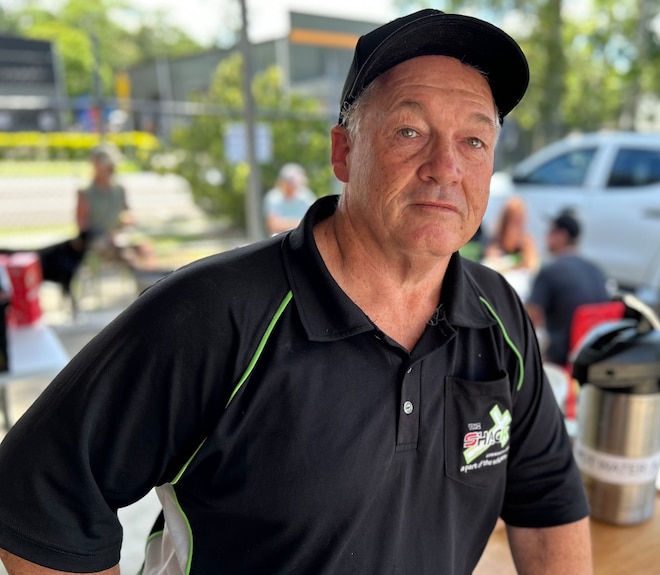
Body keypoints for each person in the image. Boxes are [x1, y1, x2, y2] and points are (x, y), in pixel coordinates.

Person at [0, 9, 592, 575]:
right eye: (409, 130)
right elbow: (39, 499)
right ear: (343, 151)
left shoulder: (499, 316)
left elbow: (546, 498)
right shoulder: (215, 313)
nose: (446, 166)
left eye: (474, 141)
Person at [525, 209, 610, 367]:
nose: (546, 236)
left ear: (562, 236)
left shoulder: (550, 271)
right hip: (594, 355)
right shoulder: (597, 271)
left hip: (561, 359)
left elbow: (525, 321)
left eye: (550, 231)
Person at [75, 145, 153, 268]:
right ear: (95, 164)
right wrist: (106, 235)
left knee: (144, 248)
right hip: (98, 240)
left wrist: (128, 221)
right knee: (127, 256)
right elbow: (82, 227)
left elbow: (128, 213)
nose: (111, 168)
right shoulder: (85, 191)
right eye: (107, 165)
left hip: (120, 236)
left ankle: (153, 282)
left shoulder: (119, 189)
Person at [483, 196, 540, 273]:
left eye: (522, 223)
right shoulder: (492, 242)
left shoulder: (527, 243)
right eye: (516, 223)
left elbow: (533, 268)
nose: (520, 229)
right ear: (505, 223)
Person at [263, 162, 316, 234]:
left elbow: (314, 220)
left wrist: (286, 223)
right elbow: (273, 225)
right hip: (280, 239)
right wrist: (299, 223)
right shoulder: (274, 197)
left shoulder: (305, 196)